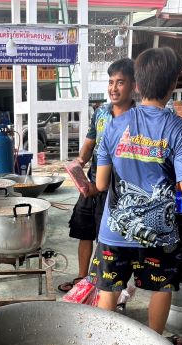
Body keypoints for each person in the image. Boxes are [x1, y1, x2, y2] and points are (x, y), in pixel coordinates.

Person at [90, 47, 182, 339]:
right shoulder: (180, 129)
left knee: (108, 291)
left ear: (137, 85)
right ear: (172, 85)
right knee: (160, 288)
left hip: (114, 233)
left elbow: (102, 184)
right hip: (159, 236)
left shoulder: (114, 125)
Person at [58, 58, 136, 292]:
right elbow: (90, 141)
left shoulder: (139, 118)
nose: (113, 88)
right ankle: (83, 280)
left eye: (120, 82)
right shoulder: (101, 112)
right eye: (111, 82)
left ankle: (101, 285)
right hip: (90, 183)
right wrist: (80, 161)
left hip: (117, 191)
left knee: (107, 239)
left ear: (134, 85)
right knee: (84, 231)